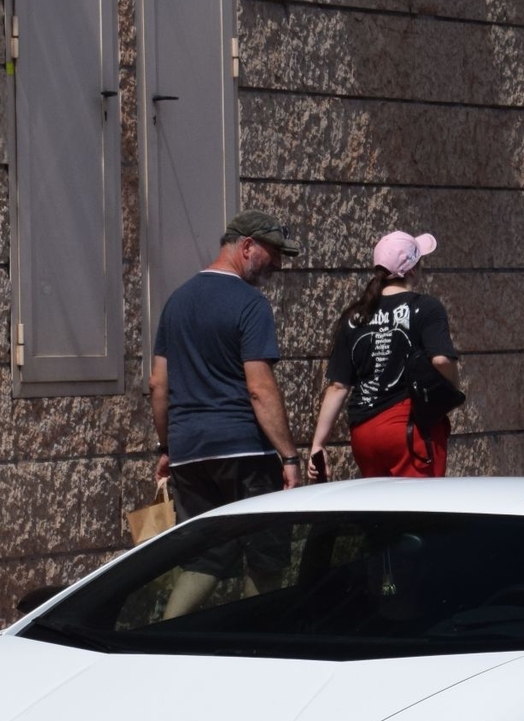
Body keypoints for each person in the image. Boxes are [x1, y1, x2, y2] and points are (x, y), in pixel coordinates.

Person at [149, 211, 304, 614]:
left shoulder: (176, 302)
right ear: (247, 245)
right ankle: (256, 647)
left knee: (204, 558)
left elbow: (157, 385)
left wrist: (166, 447)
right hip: (244, 452)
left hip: (188, 454)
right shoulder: (250, 304)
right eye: (273, 254)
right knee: (265, 556)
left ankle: (165, 640)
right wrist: (289, 456)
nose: (277, 266)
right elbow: (259, 388)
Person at [308, 229, 461, 479]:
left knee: (379, 513)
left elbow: (338, 386)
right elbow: (441, 359)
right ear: (412, 269)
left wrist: (318, 444)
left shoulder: (355, 315)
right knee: (419, 514)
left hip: (364, 433)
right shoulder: (425, 307)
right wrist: (454, 390)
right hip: (408, 429)